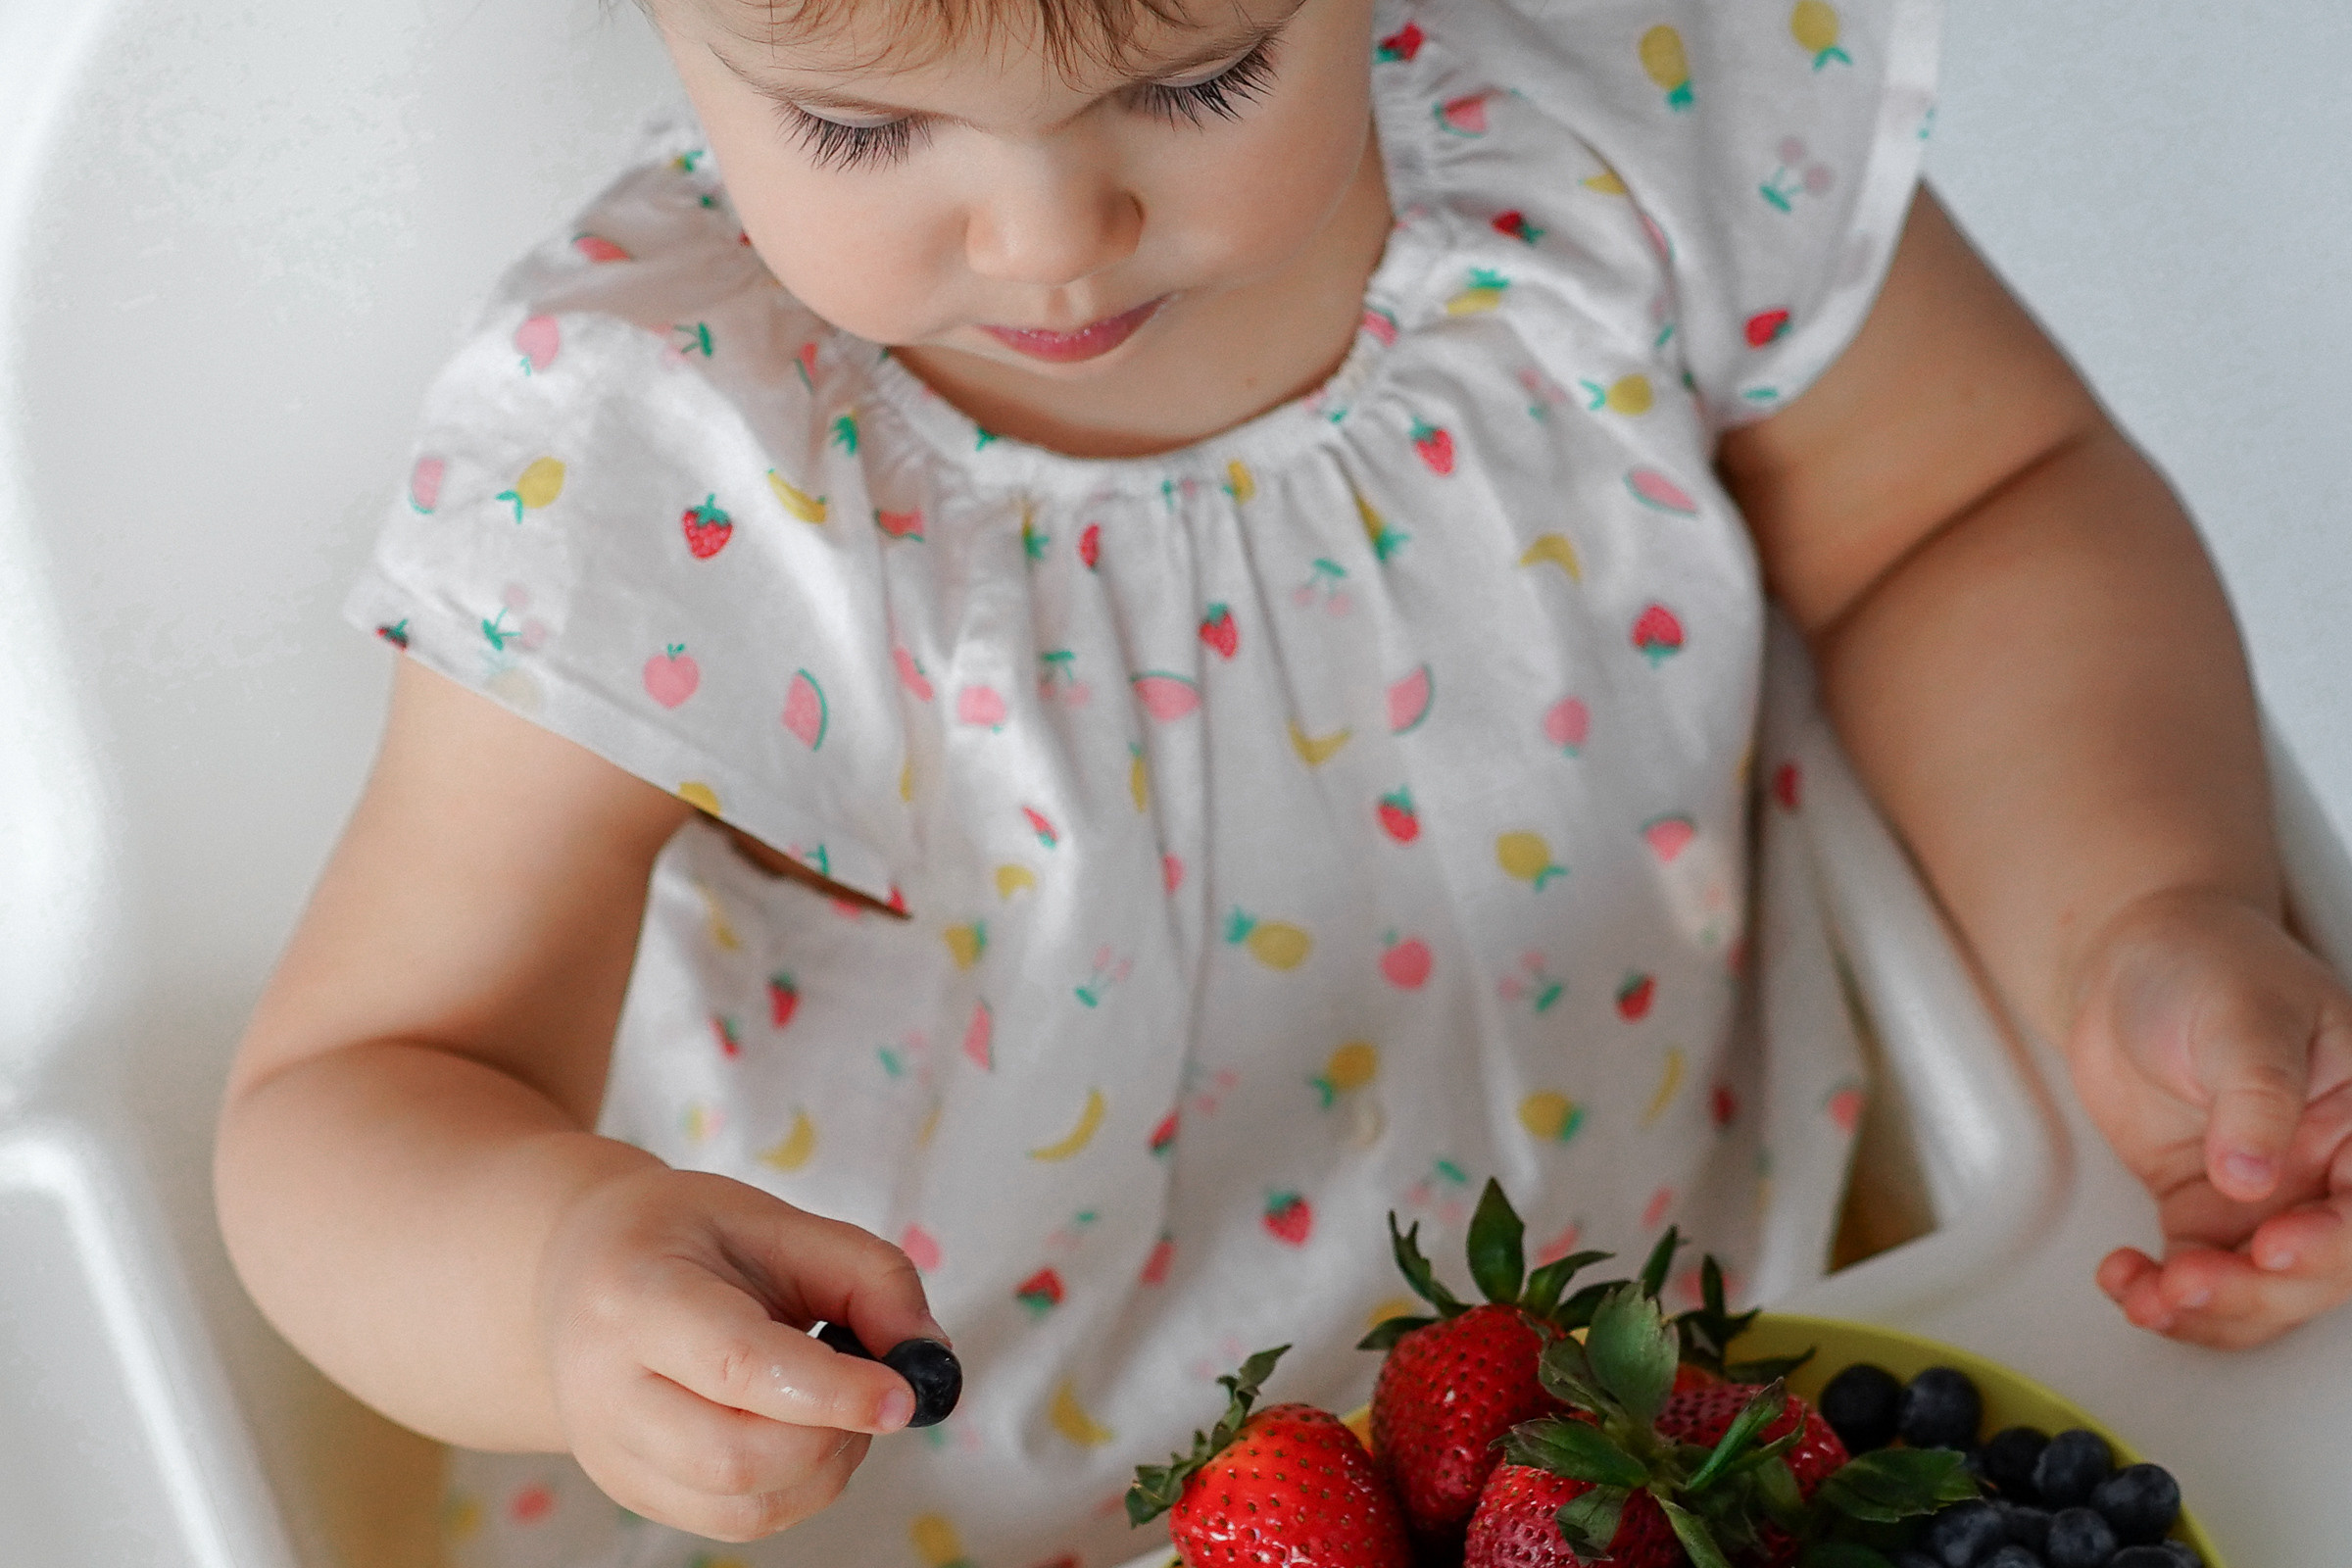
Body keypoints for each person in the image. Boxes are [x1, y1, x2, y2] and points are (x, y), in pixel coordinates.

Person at [213, 0, 2352, 1558]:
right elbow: (361, 1089)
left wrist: (2145, 909)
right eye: (859, 127)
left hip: (1637, 1409)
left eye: (1200, 74)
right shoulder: (663, 459)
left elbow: (1973, 508)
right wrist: (562, 1283)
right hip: (966, 1493)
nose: (1052, 235)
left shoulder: (1620, 128)